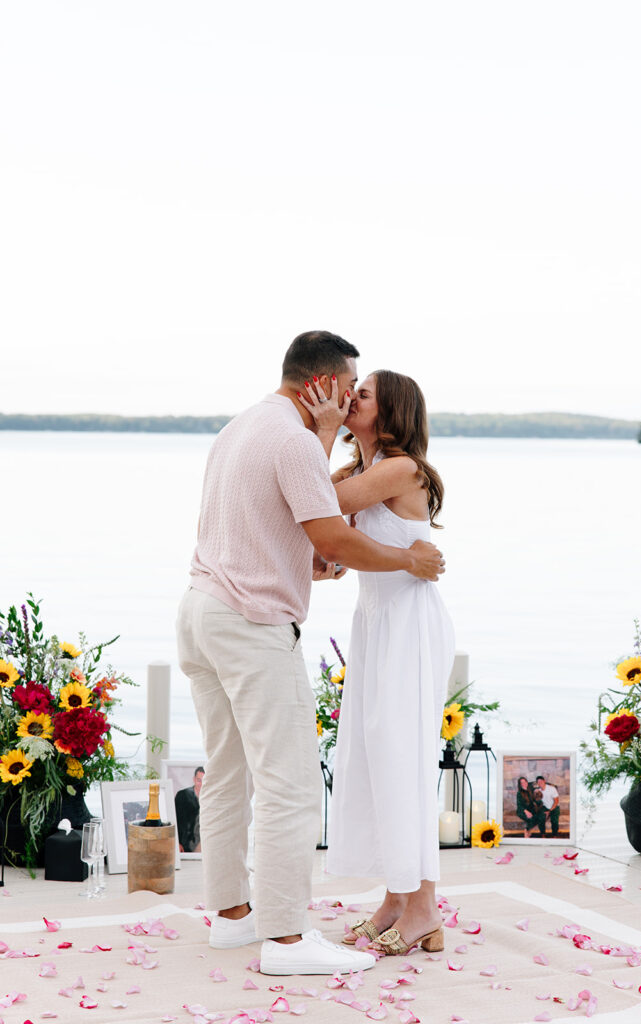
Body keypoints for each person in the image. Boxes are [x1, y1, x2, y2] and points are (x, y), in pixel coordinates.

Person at [175, 331, 445, 976]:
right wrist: (408, 558)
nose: (351, 397)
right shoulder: (298, 440)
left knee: (232, 773)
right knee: (289, 787)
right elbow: (329, 530)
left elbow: (299, 524)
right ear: (319, 385)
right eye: (348, 385)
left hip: (202, 610)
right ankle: (288, 942)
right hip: (252, 622)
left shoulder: (242, 425)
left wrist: (321, 550)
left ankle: (234, 920)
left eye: (363, 392)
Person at [298, 369, 455, 957]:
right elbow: (317, 513)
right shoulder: (359, 471)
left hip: (410, 626)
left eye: (361, 395)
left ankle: (425, 911)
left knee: (402, 758)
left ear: (390, 413)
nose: (349, 398)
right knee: (374, 758)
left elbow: (323, 502)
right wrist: (334, 562)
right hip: (374, 624)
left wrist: (322, 426)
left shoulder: (402, 467)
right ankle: (397, 900)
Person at [175, 766, 205, 853]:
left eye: (204, 781)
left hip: (202, 842)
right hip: (185, 844)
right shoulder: (182, 795)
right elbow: (175, 819)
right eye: (199, 780)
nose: (201, 784)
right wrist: (177, 842)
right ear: (194, 779)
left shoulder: (211, 799)